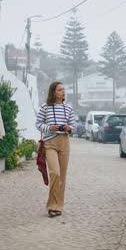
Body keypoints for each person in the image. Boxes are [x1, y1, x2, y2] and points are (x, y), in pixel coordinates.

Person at [36, 81, 75, 217]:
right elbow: (38, 123)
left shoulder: (68, 108)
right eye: (60, 90)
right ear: (53, 92)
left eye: (64, 90)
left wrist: (68, 128)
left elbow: (73, 125)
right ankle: (51, 205)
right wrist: (49, 128)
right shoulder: (45, 107)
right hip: (50, 143)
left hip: (64, 142)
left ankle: (58, 206)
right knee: (55, 173)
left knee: (62, 177)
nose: (63, 92)